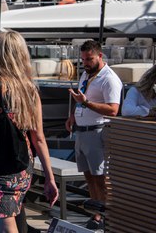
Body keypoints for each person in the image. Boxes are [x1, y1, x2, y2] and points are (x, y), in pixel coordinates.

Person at [0, 32, 58, 233]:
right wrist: (50, 178)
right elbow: (39, 138)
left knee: (3, 225)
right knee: (2, 222)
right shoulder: (30, 89)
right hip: (23, 166)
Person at [66, 40, 122, 229]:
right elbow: (80, 98)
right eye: (83, 60)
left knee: (100, 177)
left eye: (89, 59)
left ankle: (107, 216)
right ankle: (96, 213)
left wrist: (87, 103)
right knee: (88, 176)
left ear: (100, 56)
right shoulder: (86, 73)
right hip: (82, 132)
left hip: (97, 132)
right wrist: (72, 116)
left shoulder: (110, 79)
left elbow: (113, 110)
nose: (85, 63)